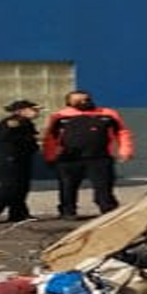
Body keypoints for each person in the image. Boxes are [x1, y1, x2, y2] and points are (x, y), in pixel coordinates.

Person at [43, 90, 134, 220]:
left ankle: (108, 209)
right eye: (78, 100)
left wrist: (125, 150)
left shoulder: (108, 114)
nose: (84, 102)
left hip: (99, 157)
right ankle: (67, 211)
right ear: (69, 103)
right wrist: (50, 156)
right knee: (67, 186)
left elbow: (122, 132)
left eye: (86, 99)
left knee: (104, 186)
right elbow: (50, 138)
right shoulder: (59, 116)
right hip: (70, 158)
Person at [0, 99, 43, 224]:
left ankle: (18, 213)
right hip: (11, 158)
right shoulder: (12, 122)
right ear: (21, 111)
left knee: (21, 187)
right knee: (9, 186)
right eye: (33, 110)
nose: (37, 112)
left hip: (23, 157)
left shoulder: (26, 123)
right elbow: (6, 138)